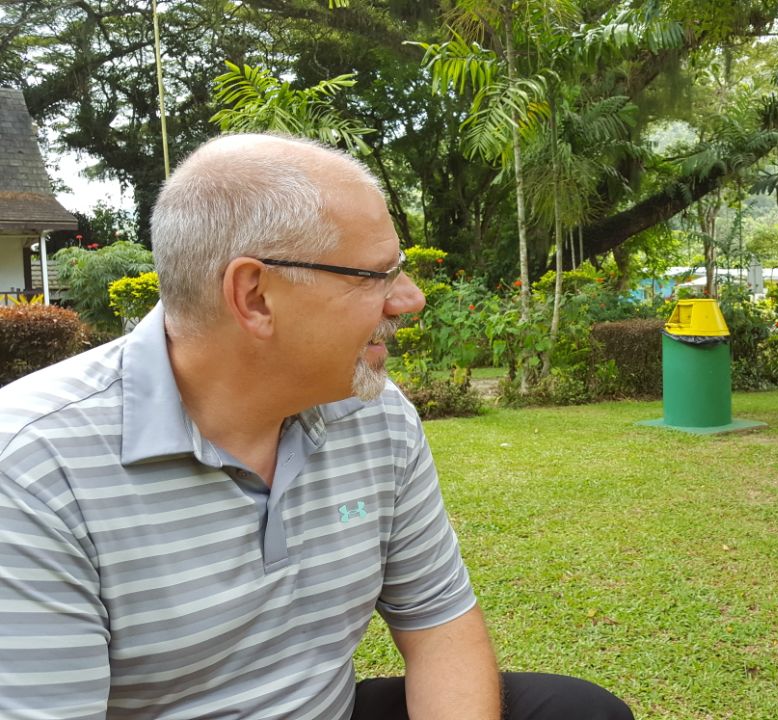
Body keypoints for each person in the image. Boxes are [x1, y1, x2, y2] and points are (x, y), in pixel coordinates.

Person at [0, 133, 633, 720]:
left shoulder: (374, 413)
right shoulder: (31, 469)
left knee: (575, 710)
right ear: (254, 296)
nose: (409, 298)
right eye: (375, 275)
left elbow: (439, 625)